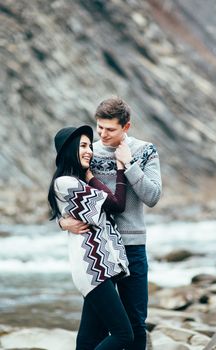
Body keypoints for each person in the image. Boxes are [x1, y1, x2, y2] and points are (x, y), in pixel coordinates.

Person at [60, 97, 162, 350]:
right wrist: (63, 222)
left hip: (133, 247)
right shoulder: (88, 152)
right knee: (95, 326)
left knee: (136, 322)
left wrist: (128, 164)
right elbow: (65, 193)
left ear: (126, 127)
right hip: (98, 250)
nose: (102, 135)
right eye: (100, 128)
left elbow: (152, 197)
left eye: (110, 129)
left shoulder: (145, 150)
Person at [48, 125, 134, 350]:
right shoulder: (66, 183)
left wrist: (62, 222)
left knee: (88, 339)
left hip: (101, 269)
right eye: (83, 146)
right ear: (69, 151)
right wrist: (119, 168)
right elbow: (117, 204)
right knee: (124, 335)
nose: (89, 151)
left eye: (89, 146)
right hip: (93, 270)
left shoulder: (79, 182)